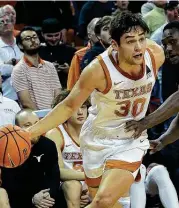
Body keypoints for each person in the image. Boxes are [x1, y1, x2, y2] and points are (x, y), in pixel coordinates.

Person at [26, 11, 164, 208]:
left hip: (130, 139)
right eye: (130, 41)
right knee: (105, 203)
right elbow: (68, 106)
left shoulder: (155, 55)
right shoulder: (97, 70)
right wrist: (30, 132)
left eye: (142, 39)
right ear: (114, 45)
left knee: (102, 201)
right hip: (96, 139)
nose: (138, 47)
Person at [125, 21, 179, 207]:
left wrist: (144, 123)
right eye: (164, 44)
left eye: (173, 41)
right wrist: (163, 140)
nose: (168, 48)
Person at [1, 109, 60, 208]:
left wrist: (48, 195)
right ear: (17, 128)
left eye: (37, 123)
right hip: (18, 199)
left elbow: (54, 176)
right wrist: (32, 199)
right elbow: (9, 185)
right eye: (28, 125)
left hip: (44, 197)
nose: (34, 128)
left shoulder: (48, 144)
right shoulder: (7, 149)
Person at [46, 90, 91, 208]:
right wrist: (88, 178)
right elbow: (58, 172)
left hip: (91, 180)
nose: (80, 112)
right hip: (65, 184)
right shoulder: (55, 133)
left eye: (84, 107)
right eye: (75, 108)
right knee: (74, 186)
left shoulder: (95, 132)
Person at [12, 27, 62, 110]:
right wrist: (42, 119)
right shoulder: (19, 70)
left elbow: (58, 95)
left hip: (55, 116)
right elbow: (26, 102)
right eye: (28, 38)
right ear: (20, 45)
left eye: (35, 37)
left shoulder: (50, 66)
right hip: (36, 119)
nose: (33, 40)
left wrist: (55, 116)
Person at [39, 18, 76, 89]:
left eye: (56, 35)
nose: (53, 39)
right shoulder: (37, 52)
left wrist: (69, 71)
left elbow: (80, 75)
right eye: (49, 36)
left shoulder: (71, 51)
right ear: (42, 34)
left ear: (61, 34)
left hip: (66, 89)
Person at [67, 18, 100, 90]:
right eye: (97, 31)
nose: (100, 34)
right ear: (89, 35)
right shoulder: (79, 55)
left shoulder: (116, 52)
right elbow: (72, 85)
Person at [0, 7, 23, 101]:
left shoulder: (22, 42)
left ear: (13, 23)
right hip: (8, 97)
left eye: (8, 20)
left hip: (30, 95)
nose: (5, 23)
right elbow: (2, 70)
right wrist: (21, 64)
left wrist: (10, 63)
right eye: (1, 21)